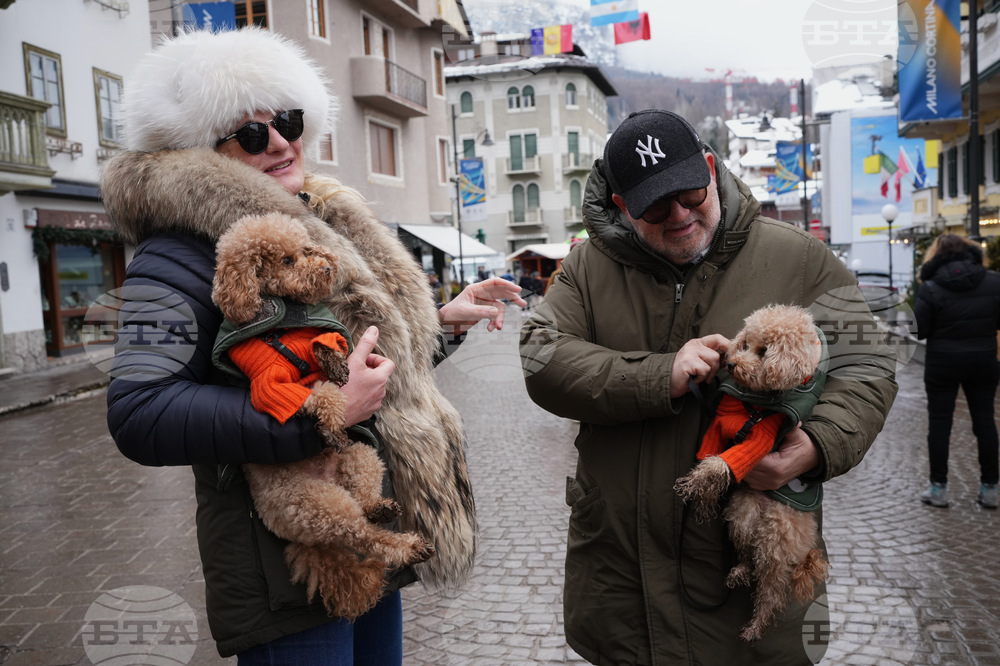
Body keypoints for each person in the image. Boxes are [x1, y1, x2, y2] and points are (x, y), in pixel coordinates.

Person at [100, 28, 525, 663]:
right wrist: (316, 417)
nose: (279, 142)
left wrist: (440, 323)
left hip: (365, 535)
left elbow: (352, 367)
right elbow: (140, 412)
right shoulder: (175, 253)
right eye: (249, 134)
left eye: (289, 120)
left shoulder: (321, 222)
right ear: (199, 150)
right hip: (286, 569)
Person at [519, 109, 897, 664]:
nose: (679, 215)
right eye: (655, 205)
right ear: (622, 205)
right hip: (622, 586)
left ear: (711, 170)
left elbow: (868, 364)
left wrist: (816, 445)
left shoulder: (798, 257)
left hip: (748, 578)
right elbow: (541, 357)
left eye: (690, 192)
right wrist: (658, 374)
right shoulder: (586, 269)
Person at [914, 233, 1000, 509]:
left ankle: (938, 488)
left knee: (940, 424)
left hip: (943, 363)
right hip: (983, 359)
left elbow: (920, 330)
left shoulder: (930, 287)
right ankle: (990, 488)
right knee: (985, 422)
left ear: (937, 255)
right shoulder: (994, 281)